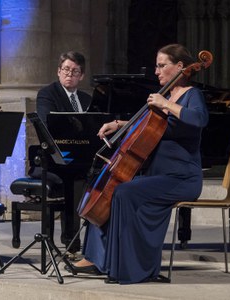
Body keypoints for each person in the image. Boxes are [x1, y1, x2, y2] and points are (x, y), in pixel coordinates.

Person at [65, 44, 209, 283]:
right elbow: (145, 125)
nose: (157, 71)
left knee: (124, 192)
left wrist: (165, 104)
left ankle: (129, 269)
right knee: (108, 191)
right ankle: (98, 259)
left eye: (162, 65)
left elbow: (199, 119)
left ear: (180, 67)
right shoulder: (166, 95)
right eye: (156, 65)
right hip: (157, 176)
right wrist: (119, 124)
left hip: (182, 178)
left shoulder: (191, 95)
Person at [34, 51, 92, 253]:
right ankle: (71, 241)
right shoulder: (48, 93)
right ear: (59, 71)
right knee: (75, 178)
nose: (70, 74)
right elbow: (47, 123)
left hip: (81, 156)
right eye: (66, 69)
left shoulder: (86, 99)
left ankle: (97, 242)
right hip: (53, 158)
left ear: (81, 76)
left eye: (75, 71)